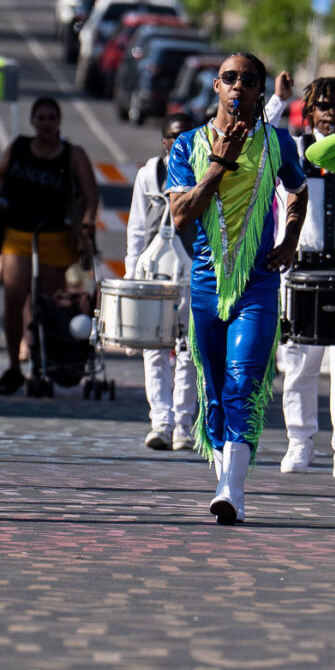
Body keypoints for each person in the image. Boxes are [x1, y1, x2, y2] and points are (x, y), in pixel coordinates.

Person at [167, 52, 307, 525]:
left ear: (259, 90)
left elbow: (298, 189)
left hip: (258, 284)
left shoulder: (276, 142)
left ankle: (232, 489)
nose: (238, 86)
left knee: (243, 382)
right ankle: (225, 477)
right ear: (216, 86)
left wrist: (290, 238)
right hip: (206, 284)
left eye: (248, 80)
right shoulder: (187, 145)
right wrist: (218, 166)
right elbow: (180, 215)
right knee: (214, 392)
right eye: (230, 78)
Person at [0, 96, 99, 396]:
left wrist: (87, 222)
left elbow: (91, 194)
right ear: (33, 121)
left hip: (56, 236)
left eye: (52, 118)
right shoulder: (19, 147)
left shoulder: (73, 154)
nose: (46, 124)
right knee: (14, 297)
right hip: (17, 234)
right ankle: (14, 366)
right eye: (41, 118)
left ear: (59, 122)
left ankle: (44, 363)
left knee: (47, 303)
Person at [281, 79, 335, 476]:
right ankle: (300, 443)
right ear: (309, 111)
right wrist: (277, 100)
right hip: (302, 268)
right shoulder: (293, 150)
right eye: (324, 106)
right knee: (299, 364)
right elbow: (256, 139)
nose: (332, 113)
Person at [125, 113, 198, 450]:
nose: (180, 142)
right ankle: (161, 421)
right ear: (164, 141)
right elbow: (137, 228)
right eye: (174, 136)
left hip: (191, 272)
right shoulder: (149, 173)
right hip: (153, 272)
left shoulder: (205, 172)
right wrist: (131, 276)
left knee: (188, 349)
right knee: (154, 348)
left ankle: (183, 423)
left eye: (187, 136)